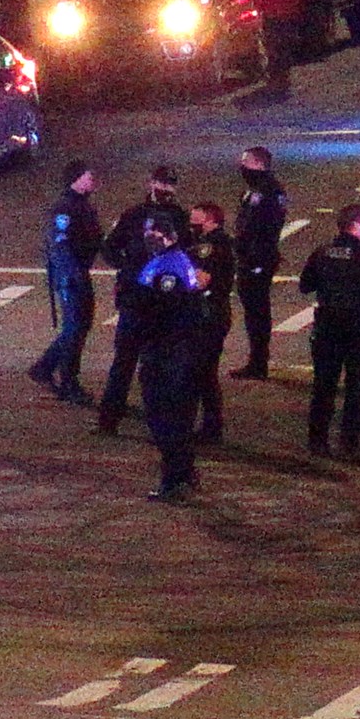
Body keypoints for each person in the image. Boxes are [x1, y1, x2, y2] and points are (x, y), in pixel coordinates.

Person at [96, 165, 188, 433]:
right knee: (129, 362)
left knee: (146, 365)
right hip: (142, 301)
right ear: (152, 184)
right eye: (162, 184)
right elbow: (110, 248)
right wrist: (130, 268)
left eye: (169, 184)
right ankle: (113, 419)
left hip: (154, 303)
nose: (166, 189)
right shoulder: (136, 215)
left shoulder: (174, 218)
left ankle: (121, 420)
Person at [301, 204, 360, 459]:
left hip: (328, 327)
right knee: (356, 387)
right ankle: (349, 442)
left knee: (323, 385)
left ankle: (317, 440)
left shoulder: (322, 252)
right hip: (358, 330)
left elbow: (305, 285)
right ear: (357, 223)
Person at [133, 219, 211, 502]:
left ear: (168, 237)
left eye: (154, 235)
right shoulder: (171, 260)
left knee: (161, 417)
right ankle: (183, 471)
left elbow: (164, 311)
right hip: (175, 351)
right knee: (175, 417)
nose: (149, 239)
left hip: (167, 352)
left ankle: (174, 475)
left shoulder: (169, 268)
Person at [29, 161, 105, 404]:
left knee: (79, 325)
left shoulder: (81, 206)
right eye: (87, 176)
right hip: (70, 275)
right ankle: (68, 381)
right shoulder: (66, 208)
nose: (92, 180)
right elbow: (60, 245)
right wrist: (74, 275)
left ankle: (45, 367)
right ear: (76, 179)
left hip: (78, 272)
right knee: (75, 327)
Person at [228, 147, 288, 380]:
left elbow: (263, 228)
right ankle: (257, 359)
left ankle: (258, 362)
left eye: (246, 163)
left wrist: (251, 254)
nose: (242, 167)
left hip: (257, 259)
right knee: (254, 311)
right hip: (251, 257)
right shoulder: (258, 189)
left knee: (257, 311)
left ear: (259, 164)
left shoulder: (268, 191)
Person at [186, 202, 235, 444]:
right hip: (210, 314)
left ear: (211, 220)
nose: (192, 223)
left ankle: (210, 428)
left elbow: (201, 280)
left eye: (197, 219)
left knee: (203, 372)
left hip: (209, 315)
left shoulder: (211, 247)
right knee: (203, 372)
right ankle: (209, 426)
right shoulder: (212, 243)